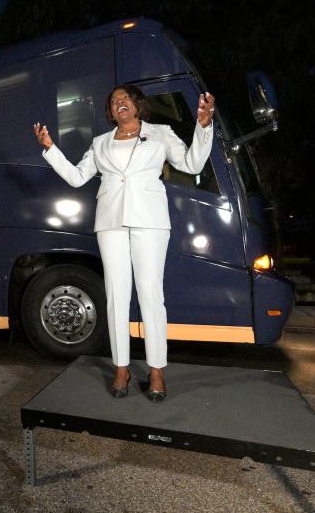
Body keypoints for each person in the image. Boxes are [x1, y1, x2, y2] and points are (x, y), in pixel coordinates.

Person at [33, 85, 215, 401]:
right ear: (111, 111)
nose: (120, 104)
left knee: (150, 295)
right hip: (111, 223)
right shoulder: (100, 143)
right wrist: (50, 148)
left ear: (137, 104)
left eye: (125, 99)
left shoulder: (160, 133)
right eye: (114, 101)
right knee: (117, 297)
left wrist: (203, 126)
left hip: (150, 222)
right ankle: (121, 368)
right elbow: (77, 177)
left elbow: (192, 164)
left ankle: (156, 370)